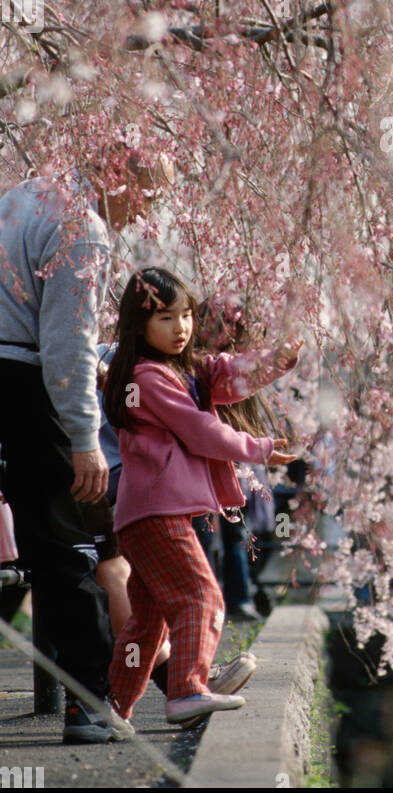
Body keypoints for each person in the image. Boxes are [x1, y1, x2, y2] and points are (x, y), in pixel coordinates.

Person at [0, 140, 173, 743]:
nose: (146, 211)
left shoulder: (25, 194)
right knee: (65, 545)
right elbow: (65, 344)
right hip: (25, 385)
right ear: (116, 175)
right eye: (146, 193)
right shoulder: (84, 231)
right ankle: (89, 701)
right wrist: (83, 437)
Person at [102, 268, 301, 727]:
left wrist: (276, 360)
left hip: (145, 514)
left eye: (187, 315)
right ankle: (188, 689)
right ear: (139, 325)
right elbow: (200, 430)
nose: (181, 328)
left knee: (147, 622)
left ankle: (112, 708)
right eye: (166, 318)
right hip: (156, 513)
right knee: (202, 596)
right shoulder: (146, 378)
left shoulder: (183, 369)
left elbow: (228, 374)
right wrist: (258, 448)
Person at [193, 296, 285, 622]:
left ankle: (237, 597)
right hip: (204, 455)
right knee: (203, 531)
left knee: (234, 530)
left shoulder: (239, 365)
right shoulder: (200, 365)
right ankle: (207, 604)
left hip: (235, 454)